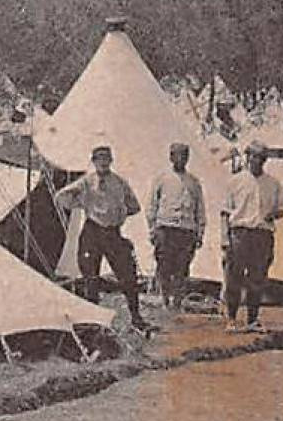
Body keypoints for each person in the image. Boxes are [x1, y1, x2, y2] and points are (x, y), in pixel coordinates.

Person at [55, 145, 149, 333]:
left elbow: (134, 206)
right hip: (92, 232)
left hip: (113, 233)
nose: (103, 163)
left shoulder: (120, 183)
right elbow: (61, 197)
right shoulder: (86, 182)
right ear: (94, 162)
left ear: (111, 161)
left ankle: (136, 318)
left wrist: (118, 214)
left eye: (106, 159)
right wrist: (80, 203)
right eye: (99, 160)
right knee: (91, 278)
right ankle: (92, 322)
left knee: (127, 276)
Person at [221, 141, 283, 332]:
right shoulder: (235, 181)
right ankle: (231, 319)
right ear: (248, 157)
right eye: (254, 157)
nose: (257, 161)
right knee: (234, 277)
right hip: (240, 233)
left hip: (262, 234)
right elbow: (225, 212)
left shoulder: (273, 184)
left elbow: (281, 209)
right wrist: (225, 238)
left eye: (261, 158)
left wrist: (272, 214)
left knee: (258, 278)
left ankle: (252, 320)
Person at [147, 142, 205, 311]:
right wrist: (152, 229)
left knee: (182, 267)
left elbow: (200, 208)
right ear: (171, 157)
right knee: (164, 265)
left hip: (186, 230)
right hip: (165, 227)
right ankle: (165, 299)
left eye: (184, 156)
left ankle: (177, 302)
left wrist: (200, 232)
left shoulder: (194, 182)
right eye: (177, 155)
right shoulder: (162, 178)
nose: (181, 159)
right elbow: (152, 205)